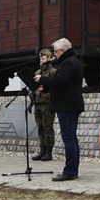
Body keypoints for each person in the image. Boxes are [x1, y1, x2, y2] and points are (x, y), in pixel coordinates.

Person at [33, 38, 84, 181]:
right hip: (70, 104)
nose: (54, 54)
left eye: (56, 51)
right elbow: (62, 83)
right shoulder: (72, 61)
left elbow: (61, 81)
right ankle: (72, 170)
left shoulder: (68, 63)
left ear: (63, 50)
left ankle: (69, 171)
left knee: (69, 138)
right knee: (72, 138)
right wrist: (46, 88)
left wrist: (42, 79)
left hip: (67, 105)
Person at [31, 48, 57, 162]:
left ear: (49, 58)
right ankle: (42, 149)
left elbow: (54, 87)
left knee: (47, 127)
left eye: (43, 58)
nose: (41, 60)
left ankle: (48, 151)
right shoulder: (37, 72)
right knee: (40, 127)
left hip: (47, 102)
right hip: (38, 103)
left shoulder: (53, 72)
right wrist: (32, 93)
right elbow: (32, 87)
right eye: (40, 58)